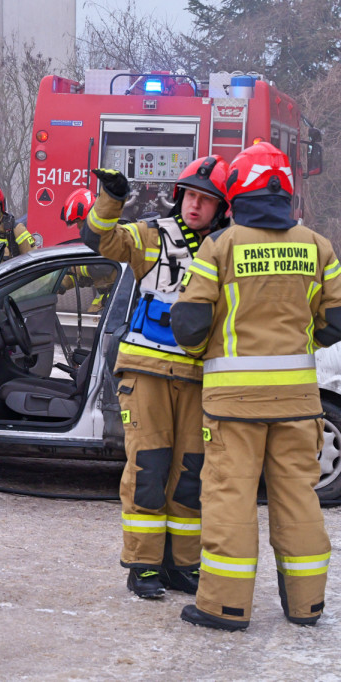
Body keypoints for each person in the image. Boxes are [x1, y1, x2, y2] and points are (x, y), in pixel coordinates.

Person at [171, 142, 341, 631]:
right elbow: (336, 320)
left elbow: (189, 324)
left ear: (236, 193)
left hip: (232, 406)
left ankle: (223, 606)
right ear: (285, 190)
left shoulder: (219, 247)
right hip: (299, 403)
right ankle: (307, 604)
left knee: (230, 500)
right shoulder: (316, 245)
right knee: (298, 498)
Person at [83, 156, 230, 599]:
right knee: (149, 468)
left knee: (190, 475)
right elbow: (99, 239)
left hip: (198, 377)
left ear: (221, 209)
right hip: (145, 371)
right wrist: (112, 199)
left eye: (207, 200)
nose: (195, 206)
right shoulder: (150, 235)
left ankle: (182, 565)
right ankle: (144, 565)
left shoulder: (226, 247)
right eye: (190, 196)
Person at [61, 188, 115, 313]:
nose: (79, 228)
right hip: (106, 297)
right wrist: (61, 283)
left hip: (116, 300)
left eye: (80, 223)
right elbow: (86, 275)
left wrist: (71, 267)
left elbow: (101, 266)